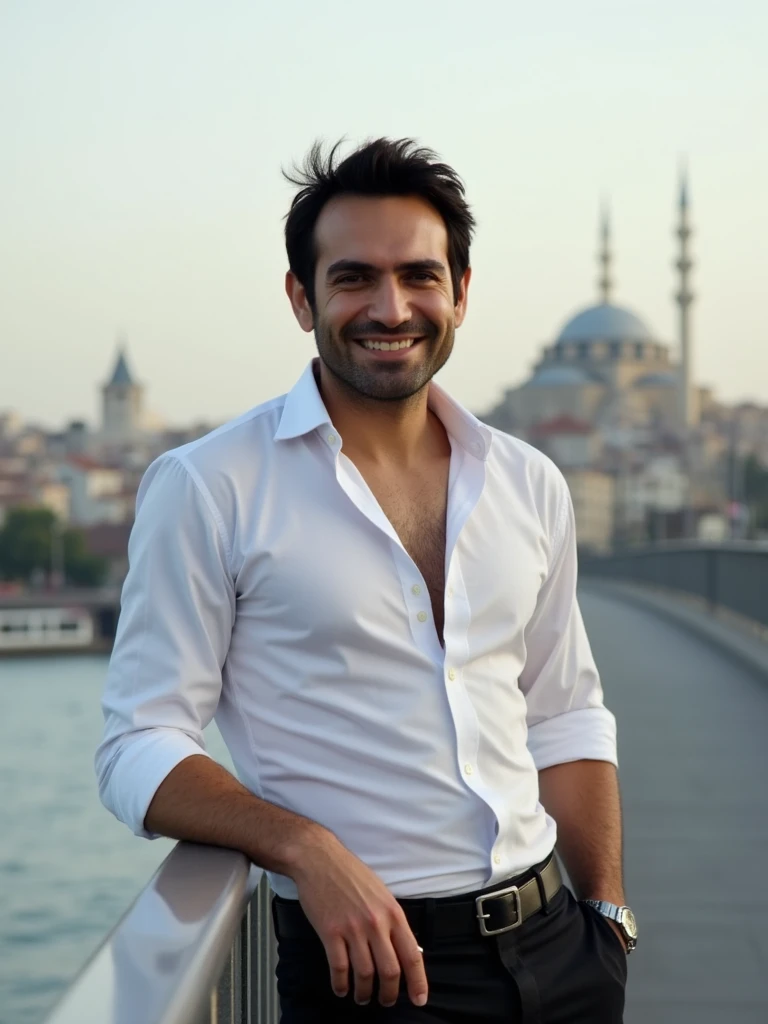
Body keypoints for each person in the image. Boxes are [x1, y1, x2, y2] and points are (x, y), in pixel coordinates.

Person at [96, 137, 637, 1023]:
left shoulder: (528, 480)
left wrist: (606, 916)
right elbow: (136, 744)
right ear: (301, 297)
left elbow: (564, 710)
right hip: (373, 971)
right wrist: (304, 848)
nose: (392, 307)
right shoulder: (210, 485)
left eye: (421, 275)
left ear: (461, 292)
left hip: (562, 955)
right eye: (354, 278)